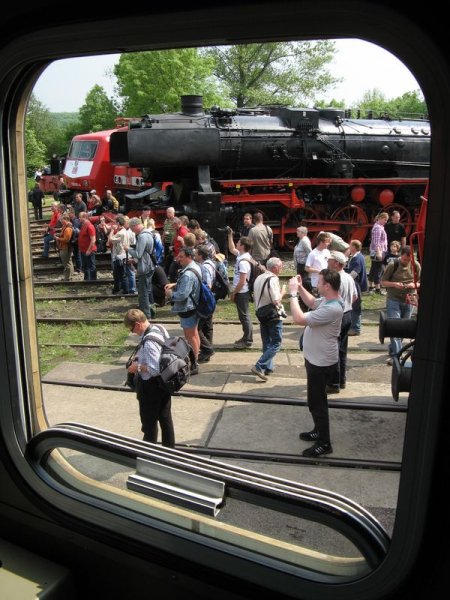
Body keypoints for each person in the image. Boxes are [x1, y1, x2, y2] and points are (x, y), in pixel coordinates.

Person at [288, 269, 344, 457]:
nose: (317, 284)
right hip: (315, 359)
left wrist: (293, 293)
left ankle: (324, 443)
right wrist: (302, 288)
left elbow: (299, 319)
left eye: (319, 282)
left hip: (321, 363)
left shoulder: (333, 308)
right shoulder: (328, 301)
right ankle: (318, 431)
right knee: (315, 400)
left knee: (317, 403)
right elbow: (312, 302)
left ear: (327, 286)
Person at [124, 309, 175, 448]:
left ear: (138, 323)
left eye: (132, 328)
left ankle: (148, 454)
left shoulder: (149, 341)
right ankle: (170, 452)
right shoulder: (159, 328)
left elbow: (154, 370)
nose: (132, 332)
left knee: (149, 424)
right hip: (164, 384)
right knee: (165, 419)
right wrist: (141, 357)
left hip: (151, 387)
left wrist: (137, 367)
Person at [381, 245, 421, 365]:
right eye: (404, 259)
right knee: (395, 327)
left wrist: (413, 285)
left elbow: (420, 282)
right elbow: (383, 282)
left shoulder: (416, 265)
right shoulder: (393, 265)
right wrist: (394, 284)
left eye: (408, 260)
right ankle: (397, 356)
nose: (406, 262)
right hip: (394, 299)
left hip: (410, 299)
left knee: (404, 328)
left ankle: (394, 349)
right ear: (400, 255)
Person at [165, 247, 201, 374]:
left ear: (189, 257)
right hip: (195, 306)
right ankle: (196, 356)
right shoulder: (195, 267)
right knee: (194, 334)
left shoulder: (187, 274)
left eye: (181, 257)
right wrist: (176, 284)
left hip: (188, 308)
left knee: (190, 336)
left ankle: (194, 363)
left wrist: (170, 295)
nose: (178, 259)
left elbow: (182, 295)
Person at [326, 251, 357, 393]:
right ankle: (342, 380)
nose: (327, 262)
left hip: (338, 316)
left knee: (333, 351)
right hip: (348, 315)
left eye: (330, 260)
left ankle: (333, 383)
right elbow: (355, 297)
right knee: (342, 350)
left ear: (337, 263)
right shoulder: (349, 277)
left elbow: (330, 298)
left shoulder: (335, 278)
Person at [251, 256, 286, 381]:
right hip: (272, 314)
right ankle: (259, 366)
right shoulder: (273, 279)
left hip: (261, 313)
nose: (282, 268)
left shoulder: (259, 277)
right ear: (275, 268)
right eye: (281, 266)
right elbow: (276, 300)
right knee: (276, 342)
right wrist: (283, 291)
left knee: (267, 341)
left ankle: (268, 367)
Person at [227, 230, 254, 349]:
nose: (237, 244)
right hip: (241, 291)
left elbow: (242, 281)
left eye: (238, 243)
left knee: (245, 316)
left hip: (242, 292)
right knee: (244, 315)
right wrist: (230, 235)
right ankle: (246, 337)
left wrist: (234, 292)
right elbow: (232, 248)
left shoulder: (243, 262)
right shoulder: (242, 255)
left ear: (242, 246)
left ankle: (247, 340)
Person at [127, 217, 156, 319]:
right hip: (149, 264)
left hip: (145, 267)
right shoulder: (148, 233)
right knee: (148, 290)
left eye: (132, 228)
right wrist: (134, 260)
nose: (132, 230)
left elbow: (139, 254)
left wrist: (128, 249)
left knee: (143, 292)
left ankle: (146, 315)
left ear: (136, 225)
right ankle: (151, 312)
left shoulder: (142, 236)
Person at [195, 244, 216, 363]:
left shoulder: (205, 267)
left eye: (196, 253)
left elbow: (207, 285)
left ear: (201, 256)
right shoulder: (211, 263)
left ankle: (207, 349)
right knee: (208, 327)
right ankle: (207, 351)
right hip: (211, 299)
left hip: (206, 301)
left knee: (197, 328)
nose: (195, 255)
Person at [346, 239, 368, 336]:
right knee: (354, 306)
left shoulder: (357, 258)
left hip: (356, 285)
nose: (349, 247)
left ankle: (355, 328)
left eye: (350, 245)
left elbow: (355, 272)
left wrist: (345, 279)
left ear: (354, 247)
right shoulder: (358, 256)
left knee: (355, 306)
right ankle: (354, 327)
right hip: (356, 284)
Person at [368, 212, 388, 293]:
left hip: (376, 251)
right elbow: (376, 242)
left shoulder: (379, 226)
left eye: (387, 220)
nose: (386, 221)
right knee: (378, 269)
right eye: (385, 219)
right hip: (378, 251)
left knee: (374, 268)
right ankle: (377, 288)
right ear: (380, 218)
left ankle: (371, 286)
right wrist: (379, 252)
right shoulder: (378, 228)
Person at [108, 215, 129, 295]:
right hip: (124, 254)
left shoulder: (120, 233)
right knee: (123, 273)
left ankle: (117, 290)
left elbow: (110, 240)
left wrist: (112, 231)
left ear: (118, 223)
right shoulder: (126, 231)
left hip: (119, 255)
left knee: (117, 274)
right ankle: (124, 289)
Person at [78, 212, 97, 280]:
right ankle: (87, 279)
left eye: (80, 217)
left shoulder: (89, 226)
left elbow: (93, 239)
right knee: (85, 265)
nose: (79, 218)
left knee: (91, 265)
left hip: (89, 250)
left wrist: (89, 250)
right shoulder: (83, 225)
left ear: (85, 217)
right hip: (83, 250)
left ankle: (93, 280)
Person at [54, 213, 74, 281]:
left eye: (62, 220)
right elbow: (64, 235)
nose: (61, 222)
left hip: (65, 248)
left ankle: (67, 278)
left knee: (66, 263)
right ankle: (70, 276)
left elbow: (66, 239)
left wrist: (58, 239)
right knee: (69, 262)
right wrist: (59, 234)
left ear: (66, 220)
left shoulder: (68, 229)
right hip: (64, 247)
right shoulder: (65, 227)